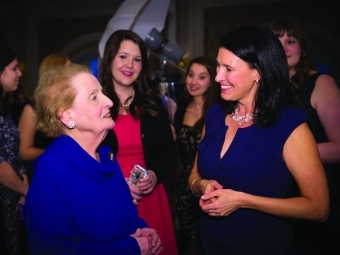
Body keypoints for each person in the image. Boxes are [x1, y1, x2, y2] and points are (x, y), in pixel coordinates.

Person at [188, 23, 329, 254]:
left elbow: (318, 207)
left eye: (228, 69)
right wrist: (201, 185)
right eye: (217, 66)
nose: (217, 77)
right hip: (210, 244)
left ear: (259, 72)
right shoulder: (215, 114)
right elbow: (194, 173)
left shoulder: (289, 124)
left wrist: (243, 200)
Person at [23, 63, 163, 255]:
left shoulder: (106, 156)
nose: (109, 102)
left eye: (103, 93)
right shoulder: (51, 170)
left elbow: (123, 216)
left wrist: (142, 229)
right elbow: (51, 249)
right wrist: (131, 248)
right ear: (66, 114)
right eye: (94, 97)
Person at [99, 29, 178, 255]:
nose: (129, 65)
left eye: (137, 59)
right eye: (123, 56)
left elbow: (169, 154)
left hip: (151, 197)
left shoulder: (153, 103)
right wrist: (116, 182)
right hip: (109, 197)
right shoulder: (96, 104)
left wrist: (154, 174)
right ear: (110, 58)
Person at [270, 17, 340, 254]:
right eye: (277, 41)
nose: (283, 48)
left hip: (315, 192)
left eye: (290, 41)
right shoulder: (264, 90)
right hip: (277, 194)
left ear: (302, 48)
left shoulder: (321, 83)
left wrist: (292, 154)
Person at [174, 56, 220, 255]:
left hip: (212, 186)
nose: (193, 81)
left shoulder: (218, 111)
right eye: (191, 75)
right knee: (190, 245)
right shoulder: (180, 110)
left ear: (212, 81)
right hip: (186, 189)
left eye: (201, 77)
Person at [18, 53, 70, 181]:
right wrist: (57, 154)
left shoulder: (68, 105)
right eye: (68, 69)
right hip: (43, 174)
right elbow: (24, 151)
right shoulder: (32, 109)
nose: (72, 74)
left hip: (66, 171)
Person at [0, 45, 29, 255]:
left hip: (12, 201)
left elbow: (15, 156)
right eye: (14, 68)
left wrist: (23, 187)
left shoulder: (5, 107)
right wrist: (26, 191)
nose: (19, 73)